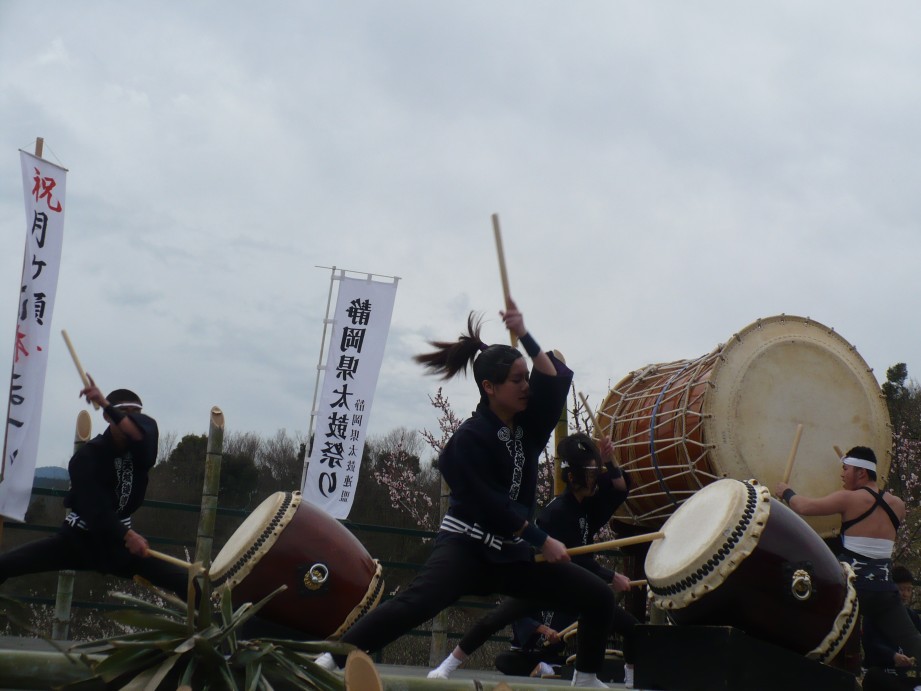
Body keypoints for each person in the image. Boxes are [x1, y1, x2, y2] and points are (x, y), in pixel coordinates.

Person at [316, 300, 617, 688]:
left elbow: (554, 375)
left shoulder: (529, 426)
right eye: (516, 380)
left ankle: (587, 678)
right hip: (466, 548)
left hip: (510, 556)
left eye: (525, 378)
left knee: (598, 597)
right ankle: (331, 658)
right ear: (489, 387)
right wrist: (541, 539)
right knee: (415, 604)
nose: (527, 386)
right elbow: (486, 503)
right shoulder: (470, 438)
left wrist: (523, 332)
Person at [427, 432, 639, 687]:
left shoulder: (587, 507)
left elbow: (619, 488)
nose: (596, 478)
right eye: (591, 473)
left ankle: (626, 681)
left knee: (630, 627)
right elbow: (573, 558)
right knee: (496, 618)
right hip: (543, 579)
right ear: (573, 478)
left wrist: (610, 461)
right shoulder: (558, 512)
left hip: (577, 584)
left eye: (597, 472)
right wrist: (611, 576)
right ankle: (447, 666)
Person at [0, 379, 190, 599]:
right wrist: (127, 534)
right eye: (124, 413)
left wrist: (106, 403)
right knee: (6, 564)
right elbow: (96, 511)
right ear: (107, 418)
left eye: (136, 413)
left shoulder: (142, 451)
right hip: (78, 539)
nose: (132, 418)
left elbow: (138, 432)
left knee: (188, 582)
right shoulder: (87, 457)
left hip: (120, 546)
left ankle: (205, 630)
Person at [774, 446, 921, 672]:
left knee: (811, 627)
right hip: (884, 592)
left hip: (852, 589)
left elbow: (803, 506)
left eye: (846, 468)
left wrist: (786, 492)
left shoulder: (848, 499)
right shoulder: (898, 506)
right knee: (914, 642)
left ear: (861, 473)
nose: (842, 474)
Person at [862, 565, 921, 691]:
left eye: (909, 590)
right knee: (873, 676)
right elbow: (870, 643)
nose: (905, 594)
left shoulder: (912, 616)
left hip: (902, 677)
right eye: (901, 589)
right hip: (881, 672)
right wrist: (892, 655)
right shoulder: (876, 613)